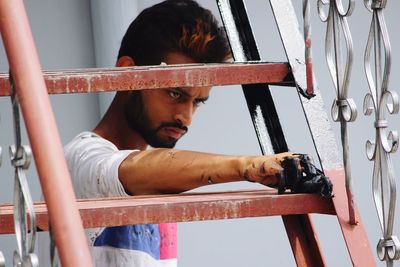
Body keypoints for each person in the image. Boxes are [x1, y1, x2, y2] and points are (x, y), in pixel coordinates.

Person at [40, 1, 302, 266]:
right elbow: (134, 168)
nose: (186, 117)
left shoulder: (160, 180)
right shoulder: (78, 159)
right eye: (175, 93)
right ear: (127, 73)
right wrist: (247, 166)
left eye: (198, 102)